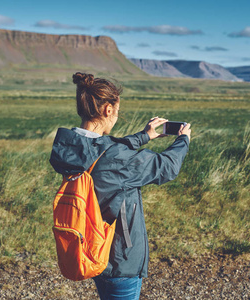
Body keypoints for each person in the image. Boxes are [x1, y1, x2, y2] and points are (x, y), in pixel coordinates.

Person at [49, 72, 191, 299]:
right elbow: (166, 167)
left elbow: (102, 149)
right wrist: (183, 140)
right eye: (116, 110)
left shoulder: (70, 147)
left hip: (91, 247)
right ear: (107, 110)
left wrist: (144, 137)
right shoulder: (115, 157)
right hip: (119, 260)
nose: (116, 116)